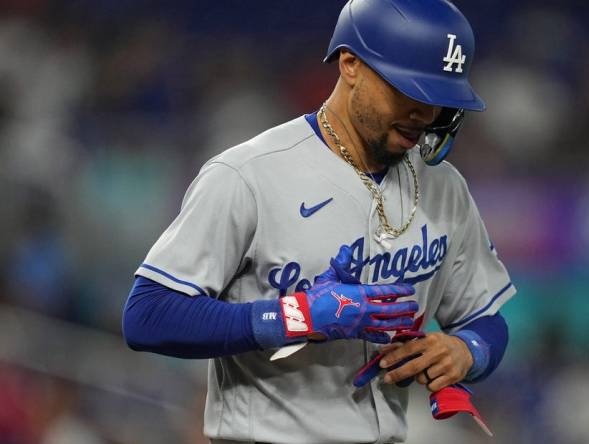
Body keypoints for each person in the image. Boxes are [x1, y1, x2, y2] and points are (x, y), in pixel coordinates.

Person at [122, 1, 516, 443]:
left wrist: (466, 351)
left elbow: (486, 319)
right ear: (350, 64)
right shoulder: (249, 175)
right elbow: (148, 315)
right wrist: (297, 315)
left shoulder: (445, 188)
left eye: (439, 101)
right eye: (410, 92)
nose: (425, 115)